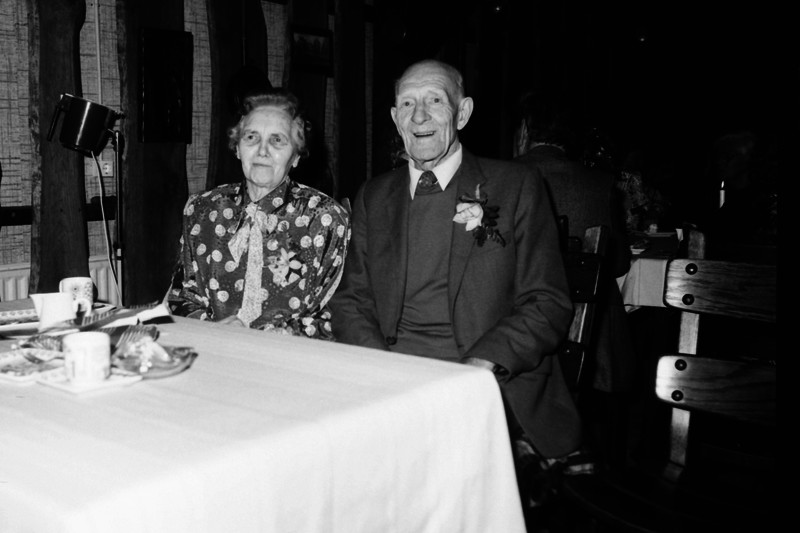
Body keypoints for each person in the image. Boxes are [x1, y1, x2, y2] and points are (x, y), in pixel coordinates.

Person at [329, 60, 583, 481]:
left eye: (434, 101)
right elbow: (351, 301)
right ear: (394, 118)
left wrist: (479, 367)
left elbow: (548, 304)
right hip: (392, 381)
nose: (419, 116)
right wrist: (382, 374)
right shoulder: (375, 196)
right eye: (407, 104)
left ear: (462, 113)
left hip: (487, 384)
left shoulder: (516, 186)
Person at [513, 90, 636, 468]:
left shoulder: (502, 176)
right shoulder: (600, 183)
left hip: (523, 339)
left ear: (525, 131)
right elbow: (617, 264)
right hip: (593, 346)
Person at [167, 90, 350, 340]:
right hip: (214, 348)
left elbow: (336, 314)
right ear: (237, 148)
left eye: (278, 140)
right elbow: (181, 299)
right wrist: (213, 329)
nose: (262, 151)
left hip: (289, 357)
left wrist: (266, 339)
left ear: (296, 155)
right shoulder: (202, 210)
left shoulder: (326, 219)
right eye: (252, 137)